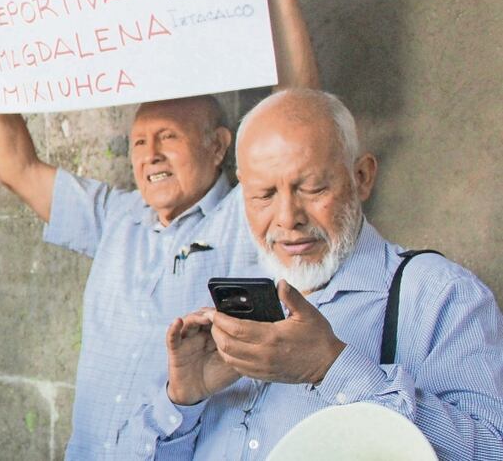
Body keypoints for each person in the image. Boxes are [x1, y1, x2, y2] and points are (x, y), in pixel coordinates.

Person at [0, 0, 319, 457]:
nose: (149, 155)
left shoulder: (247, 216)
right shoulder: (116, 217)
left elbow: (301, 125)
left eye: (168, 138)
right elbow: (16, 167)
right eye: (139, 141)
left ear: (219, 145)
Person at [148, 89, 503, 459]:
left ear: (362, 177)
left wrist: (331, 367)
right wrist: (183, 402)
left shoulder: (437, 295)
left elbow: (493, 450)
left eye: (313, 188)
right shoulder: (231, 306)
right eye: (264, 195)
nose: (287, 218)